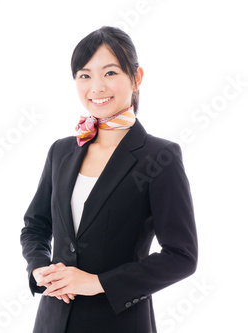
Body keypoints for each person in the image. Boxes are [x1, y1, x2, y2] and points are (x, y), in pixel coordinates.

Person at [20, 26, 198, 333]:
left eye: (110, 72)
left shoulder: (159, 156)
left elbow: (181, 256)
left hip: (119, 322)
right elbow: (35, 226)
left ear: (136, 78)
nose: (96, 87)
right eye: (84, 75)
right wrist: (39, 268)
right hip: (52, 321)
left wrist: (97, 282)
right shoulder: (61, 151)